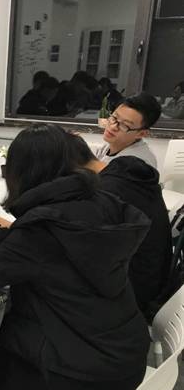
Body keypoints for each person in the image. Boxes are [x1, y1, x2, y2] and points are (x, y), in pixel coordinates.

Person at [0, 124, 150, 390]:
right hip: (124, 357)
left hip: (84, 378)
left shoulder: (42, 229)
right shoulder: (103, 200)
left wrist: (3, 233)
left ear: (22, 172)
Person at [68, 134, 172, 321]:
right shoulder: (123, 172)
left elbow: (80, 250)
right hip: (153, 279)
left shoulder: (107, 194)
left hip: (131, 297)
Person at [95, 92, 161, 168]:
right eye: (114, 117)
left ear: (141, 133)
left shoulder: (136, 165)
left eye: (124, 125)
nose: (113, 127)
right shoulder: (109, 146)